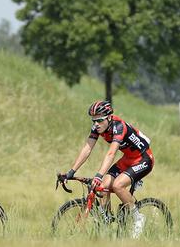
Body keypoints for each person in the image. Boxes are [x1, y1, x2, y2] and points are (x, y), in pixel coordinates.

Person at [64, 100, 153, 238]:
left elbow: (111, 153)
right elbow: (87, 149)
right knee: (103, 186)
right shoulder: (97, 128)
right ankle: (106, 220)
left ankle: (138, 218)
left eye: (99, 120)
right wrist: (71, 172)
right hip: (128, 159)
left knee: (117, 185)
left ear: (109, 117)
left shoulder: (119, 127)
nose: (96, 124)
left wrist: (98, 175)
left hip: (143, 159)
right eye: (93, 121)